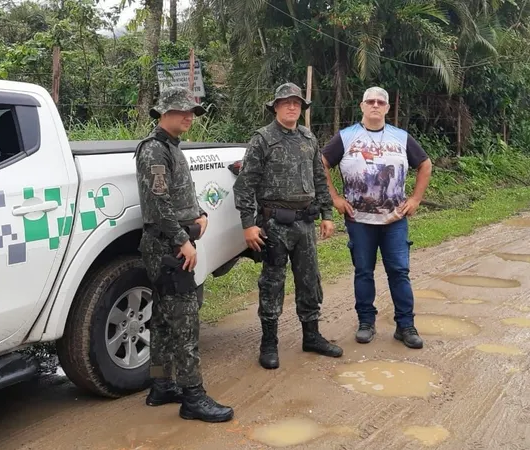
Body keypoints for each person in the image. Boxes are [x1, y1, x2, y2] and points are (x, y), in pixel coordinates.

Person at [134, 86, 234, 423]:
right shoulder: (154, 151)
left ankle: (162, 384)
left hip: (173, 241)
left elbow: (180, 195)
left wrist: (201, 214)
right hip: (168, 246)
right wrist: (181, 240)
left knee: (163, 319)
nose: (189, 116)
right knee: (185, 320)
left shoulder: (171, 148)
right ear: (164, 113)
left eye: (192, 111)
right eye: (182, 111)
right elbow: (158, 205)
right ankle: (193, 396)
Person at [233, 82, 343, 370]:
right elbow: (245, 186)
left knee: (309, 281)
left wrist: (327, 215)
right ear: (276, 107)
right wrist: (248, 224)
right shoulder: (263, 139)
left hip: (305, 224)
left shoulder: (308, 138)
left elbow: (320, 179)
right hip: (274, 225)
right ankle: (269, 343)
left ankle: (312, 335)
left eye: (297, 103)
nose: (292, 107)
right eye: (286, 103)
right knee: (272, 284)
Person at [320, 86, 432, 349]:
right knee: (363, 272)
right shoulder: (346, 137)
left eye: (380, 102)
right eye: (370, 101)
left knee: (399, 272)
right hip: (359, 220)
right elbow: (321, 162)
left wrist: (415, 199)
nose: (375, 105)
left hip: (394, 220)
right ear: (361, 106)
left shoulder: (401, 137)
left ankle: (406, 326)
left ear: (387, 108)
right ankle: (366, 323)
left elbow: (425, 164)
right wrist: (335, 198)